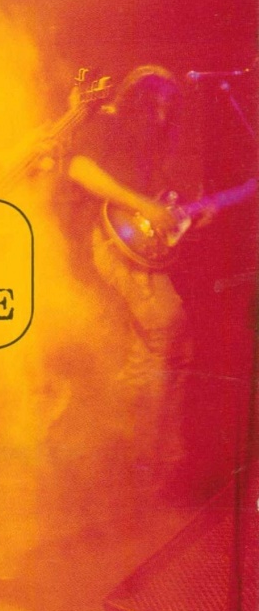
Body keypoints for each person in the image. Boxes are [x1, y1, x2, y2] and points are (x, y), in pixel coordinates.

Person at [64, 65, 200, 495]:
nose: (162, 116)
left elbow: (155, 205)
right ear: (137, 98)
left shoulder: (154, 146)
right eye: (155, 105)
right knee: (167, 326)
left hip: (135, 248)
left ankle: (146, 460)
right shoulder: (107, 122)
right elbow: (80, 169)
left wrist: (184, 214)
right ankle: (141, 460)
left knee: (167, 347)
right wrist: (142, 204)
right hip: (102, 240)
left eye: (169, 108)